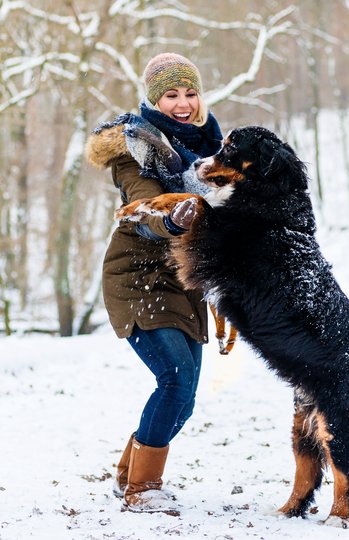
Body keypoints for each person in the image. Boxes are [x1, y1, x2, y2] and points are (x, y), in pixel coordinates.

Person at [85, 53, 223, 514]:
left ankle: (128, 473)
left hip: (185, 284)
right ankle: (143, 490)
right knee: (175, 381)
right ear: (154, 99)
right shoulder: (133, 147)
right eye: (171, 94)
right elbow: (145, 210)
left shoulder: (210, 149)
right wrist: (174, 219)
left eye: (190, 93)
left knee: (184, 402)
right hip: (137, 278)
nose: (182, 103)